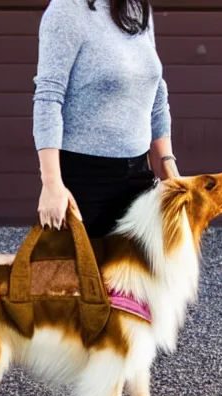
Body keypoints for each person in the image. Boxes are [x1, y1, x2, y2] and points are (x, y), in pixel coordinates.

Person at [32, 0, 180, 237]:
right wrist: (51, 184)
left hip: (139, 177)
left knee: (135, 273)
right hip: (85, 180)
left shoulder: (137, 8)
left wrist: (167, 162)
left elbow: (157, 90)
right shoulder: (66, 10)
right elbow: (48, 97)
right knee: (77, 273)